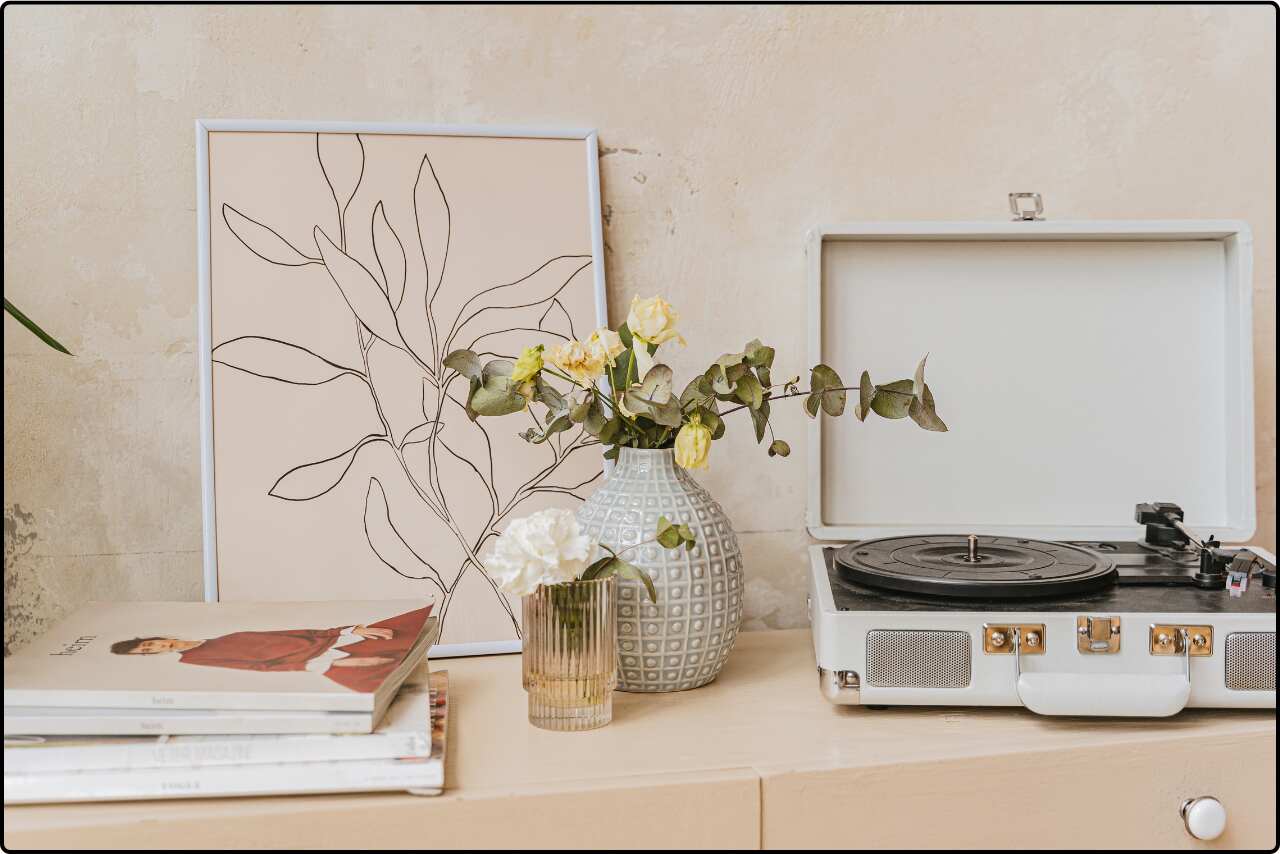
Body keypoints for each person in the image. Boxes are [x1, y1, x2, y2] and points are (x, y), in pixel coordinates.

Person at [110, 623, 397, 673]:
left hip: (325, 640)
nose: (155, 648)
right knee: (377, 664)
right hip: (317, 658)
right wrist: (318, 665)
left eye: (148, 644)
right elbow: (255, 666)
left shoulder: (217, 636)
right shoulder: (194, 660)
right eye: (148, 652)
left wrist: (347, 630)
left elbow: (285, 632)